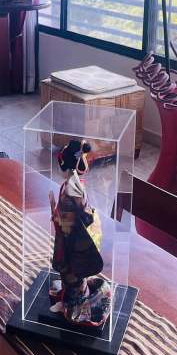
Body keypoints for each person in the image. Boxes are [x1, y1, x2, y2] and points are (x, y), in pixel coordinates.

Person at [48, 139, 112, 327]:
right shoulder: (72, 184)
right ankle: (68, 298)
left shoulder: (73, 187)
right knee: (67, 269)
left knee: (71, 269)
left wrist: (62, 219)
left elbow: (81, 213)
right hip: (67, 232)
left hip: (73, 236)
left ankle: (74, 305)